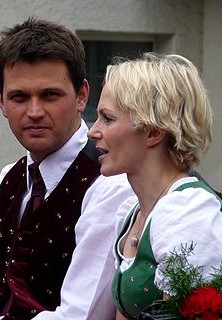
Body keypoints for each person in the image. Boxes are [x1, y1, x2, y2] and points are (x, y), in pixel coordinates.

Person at [0, 17, 136, 320]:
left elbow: (80, 315)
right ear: (1, 100)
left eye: (50, 95)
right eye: (19, 97)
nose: (35, 112)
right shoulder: (6, 181)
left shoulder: (111, 185)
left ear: (81, 96)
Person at [88, 53, 222, 320]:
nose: (92, 131)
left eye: (108, 118)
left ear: (153, 133)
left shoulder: (188, 214)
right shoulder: (132, 214)